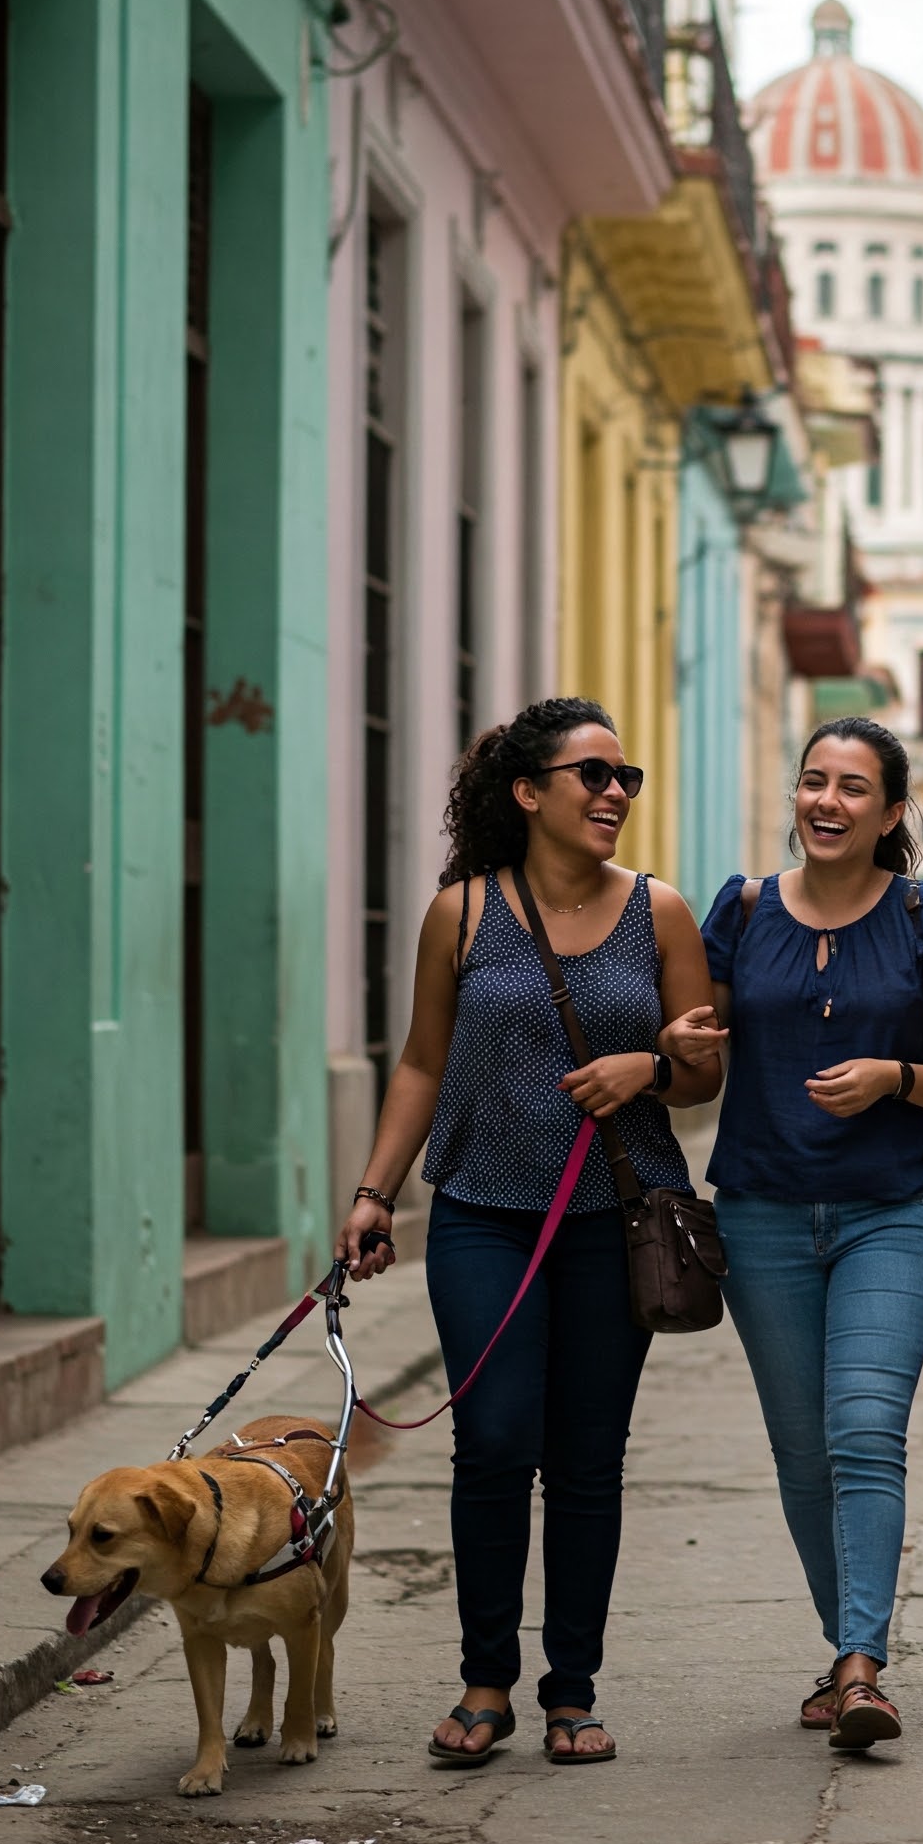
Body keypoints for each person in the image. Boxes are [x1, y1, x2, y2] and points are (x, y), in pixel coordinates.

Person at [333, 697, 721, 1768]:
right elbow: (420, 1061)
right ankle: (485, 1678)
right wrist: (375, 1190)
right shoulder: (460, 913)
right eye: (591, 774)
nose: (612, 793)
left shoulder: (661, 911)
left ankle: (572, 1688)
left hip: (618, 1217)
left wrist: (649, 1063)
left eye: (623, 777)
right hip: (480, 1217)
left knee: (587, 1459)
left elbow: (703, 1068)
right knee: (495, 1439)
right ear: (527, 790)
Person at [658, 717, 923, 1749]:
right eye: (811, 781)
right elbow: (701, 1061)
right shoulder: (743, 907)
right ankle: (842, 1648)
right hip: (757, 1210)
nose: (826, 802)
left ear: (890, 813)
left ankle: (859, 1663)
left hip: (890, 1207)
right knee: (802, 1453)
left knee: (861, 1428)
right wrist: (673, 1043)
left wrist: (894, 1076)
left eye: (852, 787)